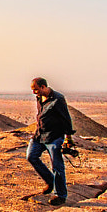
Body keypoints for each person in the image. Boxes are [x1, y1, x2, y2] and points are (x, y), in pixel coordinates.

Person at [27, 77, 73, 205]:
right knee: (31, 156)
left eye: (35, 89)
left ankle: (60, 195)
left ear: (43, 87)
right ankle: (49, 180)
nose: (34, 93)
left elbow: (66, 119)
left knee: (57, 166)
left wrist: (68, 138)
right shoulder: (39, 98)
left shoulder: (58, 99)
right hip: (39, 135)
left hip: (54, 136)